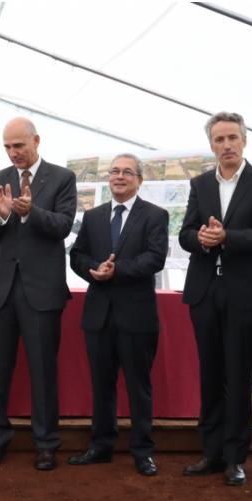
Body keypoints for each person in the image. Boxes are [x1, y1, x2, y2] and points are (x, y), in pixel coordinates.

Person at [178, 111, 252, 486]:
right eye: (219, 139)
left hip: (244, 292)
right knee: (209, 373)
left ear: (244, 140)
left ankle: (236, 457)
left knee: (238, 375)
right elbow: (185, 233)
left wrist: (226, 237)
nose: (226, 145)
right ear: (211, 145)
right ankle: (211, 452)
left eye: (232, 138)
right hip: (205, 290)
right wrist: (201, 239)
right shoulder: (200, 183)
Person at [0, 117, 76, 471]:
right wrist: (3, 217)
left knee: (43, 372)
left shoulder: (62, 178)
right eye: (7, 146)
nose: (13, 152)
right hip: (1, 290)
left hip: (42, 291)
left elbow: (63, 226)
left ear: (36, 141)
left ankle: (46, 443)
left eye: (18, 145)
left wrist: (31, 212)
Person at [68, 154, 168, 476]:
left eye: (127, 172)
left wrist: (117, 270)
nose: (119, 177)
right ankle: (100, 446)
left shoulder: (155, 215)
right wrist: (92, 269)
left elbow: (155, 258)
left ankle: (142, 451)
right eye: (114, 171)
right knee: (101, 385)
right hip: (98, 316)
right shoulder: (93, 216)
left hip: (137, 316)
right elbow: (77, 255)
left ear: (140, 180)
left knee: (139, 387)